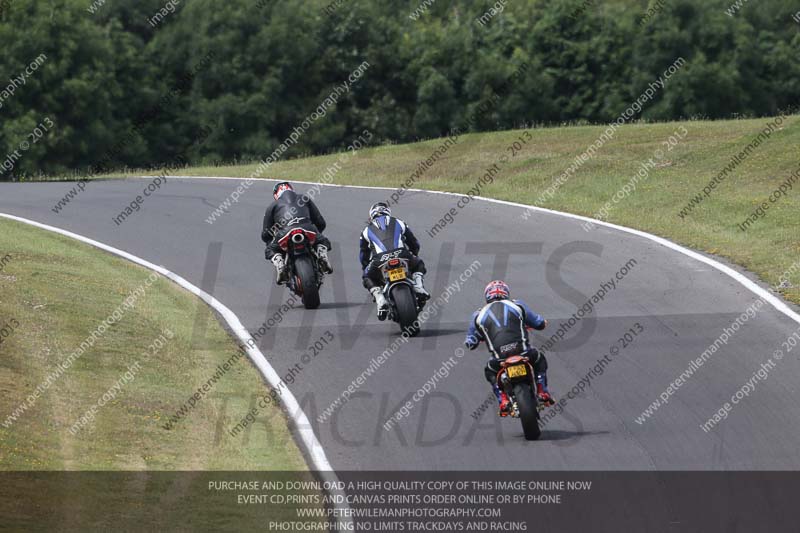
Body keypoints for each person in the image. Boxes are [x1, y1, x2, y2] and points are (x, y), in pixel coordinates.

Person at [464, 280, 555, 415]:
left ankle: (503, 400)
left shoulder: (477, 315)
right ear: (506, 293)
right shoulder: (517, 305)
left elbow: (470, 343)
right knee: (539, 359)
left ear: (487, 296)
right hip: (523, 353)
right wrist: (542, 323)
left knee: (490, 371)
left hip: (500, 359)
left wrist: (478, 337)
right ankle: (542, 391)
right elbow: (539, 323)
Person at [360, 202, 429, 320]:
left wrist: (365, 267)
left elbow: (363, 254)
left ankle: (380, 299)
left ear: (371, 215)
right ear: (388, 212)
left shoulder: (365, 231)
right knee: (419, 264)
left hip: (380, 260)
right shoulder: (399, 222)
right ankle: (418, 286)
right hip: (402, 254)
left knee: (367, 276)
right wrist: (414, 254)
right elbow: (414, 243)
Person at [262, 182, 333, 284]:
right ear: (292, 189)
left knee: (270, 249)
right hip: (307, 228)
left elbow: (265, 234)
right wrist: (317, 236)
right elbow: (321, 222)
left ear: (276, 195)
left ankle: (279, 262)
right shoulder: (304, 198)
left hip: (285, 232)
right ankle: (321, 253)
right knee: (323, 241)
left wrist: (271, 241)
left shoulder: (272, 206)